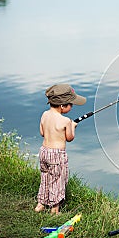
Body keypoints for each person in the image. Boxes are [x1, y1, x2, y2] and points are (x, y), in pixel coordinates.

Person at [34, 84, 86, 215]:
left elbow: (42, 132)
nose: (72, 107)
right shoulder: (66, 121)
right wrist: (72, 126)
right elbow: (69, 138)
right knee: (58, 180)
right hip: (57, 155)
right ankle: (55, 209)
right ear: (62, 106)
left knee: (45, 177)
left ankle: (40, 204)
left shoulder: (44, 115)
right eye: (71, 104)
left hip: (44, 151)